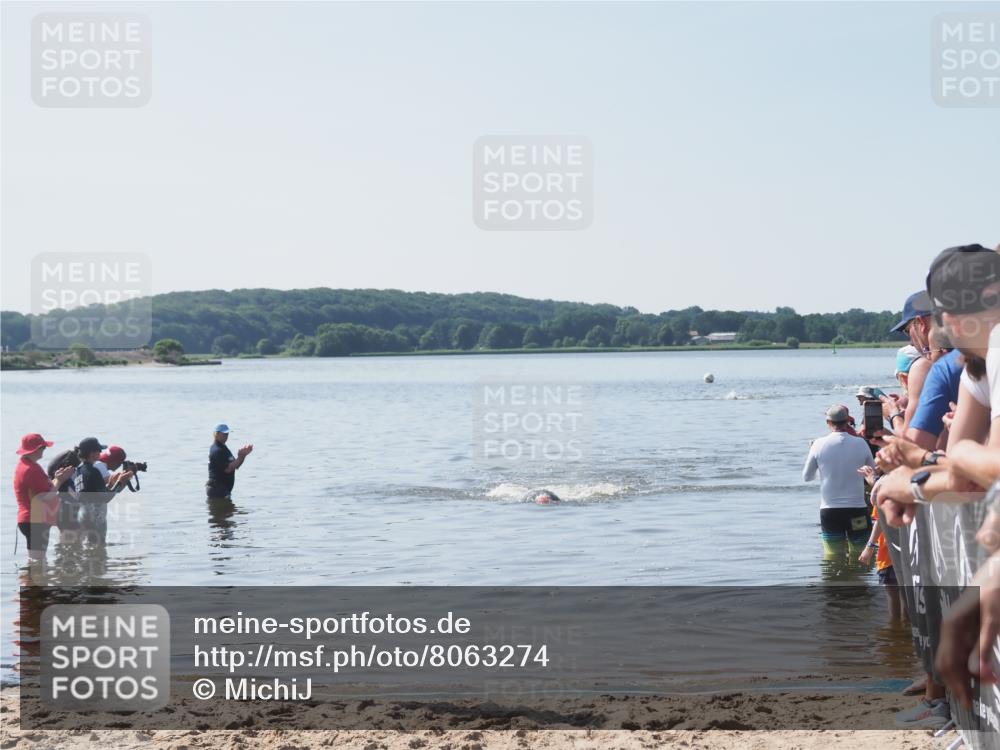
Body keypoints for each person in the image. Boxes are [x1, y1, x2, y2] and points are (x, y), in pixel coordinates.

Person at [802, 405, 876, 558]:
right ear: (848, 421)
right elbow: (873, 472)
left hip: (830, 512)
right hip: (857, 510)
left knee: (833, 557)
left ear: (828, 422)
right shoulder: (861, 443)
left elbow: (807, 477)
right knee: (861, 556)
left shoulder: (818, 444)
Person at [13, 433, 75, 560]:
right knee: (39, 563)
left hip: (26, 519)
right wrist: (60, 480)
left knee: (34, 561)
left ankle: (26, 579)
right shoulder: (32, 469)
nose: (44, 451)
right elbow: (47, 496)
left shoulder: (22, 465)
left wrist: (56, 479)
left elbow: (42, 490)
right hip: (35, 521)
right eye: (43, 448)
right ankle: (31, 579)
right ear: (36, 449)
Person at [207, 423, 253, 500]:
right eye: (224, 434)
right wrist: (240, 457)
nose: (226, 436)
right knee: (225, 511)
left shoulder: (223, 448)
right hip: (217, 490)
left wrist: (242, 456)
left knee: (229, 511)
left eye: (227, 434)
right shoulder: (217, 450)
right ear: (216, 434)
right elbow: (228, 469)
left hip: (223, 490)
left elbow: (236, 465)